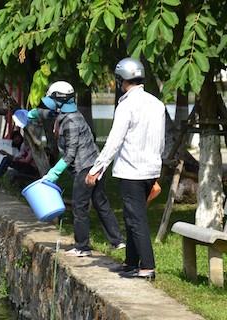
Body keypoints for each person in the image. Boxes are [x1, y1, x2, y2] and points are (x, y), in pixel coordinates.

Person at [85, 57, 165, 280]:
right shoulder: (156, 104)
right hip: (149, 169)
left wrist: (96, 168)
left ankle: (147, 267)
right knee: (132, 217)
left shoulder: (126, 105)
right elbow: (160, 142)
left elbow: (114, 141)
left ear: (121, 79)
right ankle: (130, 263)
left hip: (131, 171)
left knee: (136, 219)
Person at [29, 81, 125, 257]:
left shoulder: (71, 120)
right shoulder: (68, 113)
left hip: (85, 168)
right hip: (95, 165)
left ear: (60, 100)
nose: (51, 103)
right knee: (101, 203)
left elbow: (70, 154)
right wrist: (32, 114)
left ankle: (82, 247)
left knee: (80, 207)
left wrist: (53, 173)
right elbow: (49, 113)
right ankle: (117, 241)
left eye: (52, 99)